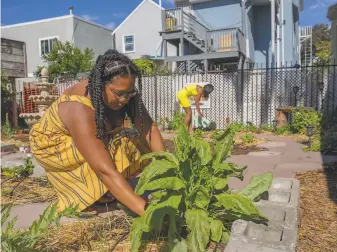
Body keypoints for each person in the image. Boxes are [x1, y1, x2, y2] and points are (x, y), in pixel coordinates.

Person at [29, 49, 165, 216]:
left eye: (129, 93)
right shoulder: (79, 108)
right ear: (101, 85)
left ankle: (107, 193)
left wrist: (169, 172)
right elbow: (103, 169)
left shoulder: (127, 92)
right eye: (119, 94)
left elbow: (148, 129)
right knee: (101, 159)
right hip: (54, 146)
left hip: (93, 137)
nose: (124, 99)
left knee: (134, 140)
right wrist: (148, 213)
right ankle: (84, 198)